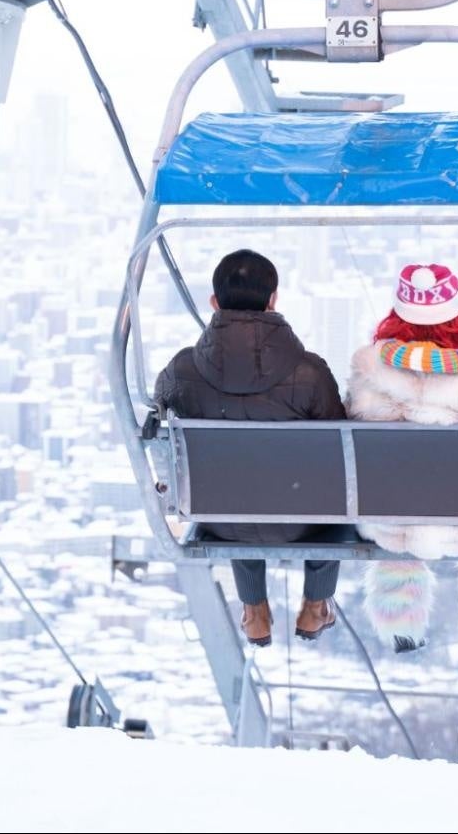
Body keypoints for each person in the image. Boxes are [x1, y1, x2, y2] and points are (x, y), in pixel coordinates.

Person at [153, 249, 345, 647]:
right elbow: (338, 451)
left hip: (219, 516)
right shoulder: (310, 373)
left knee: (236, 486)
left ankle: (254, 610)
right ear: (274, 300)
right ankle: (315, 602)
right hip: (303, 519)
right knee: (330, 499)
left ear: (214, 303)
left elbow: (159, 409)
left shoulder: (182, 371)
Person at [348, 264, 458, 653]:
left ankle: (400, 624)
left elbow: (354, 419)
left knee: (395, 510)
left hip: (392, 518)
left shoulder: (369, 368)